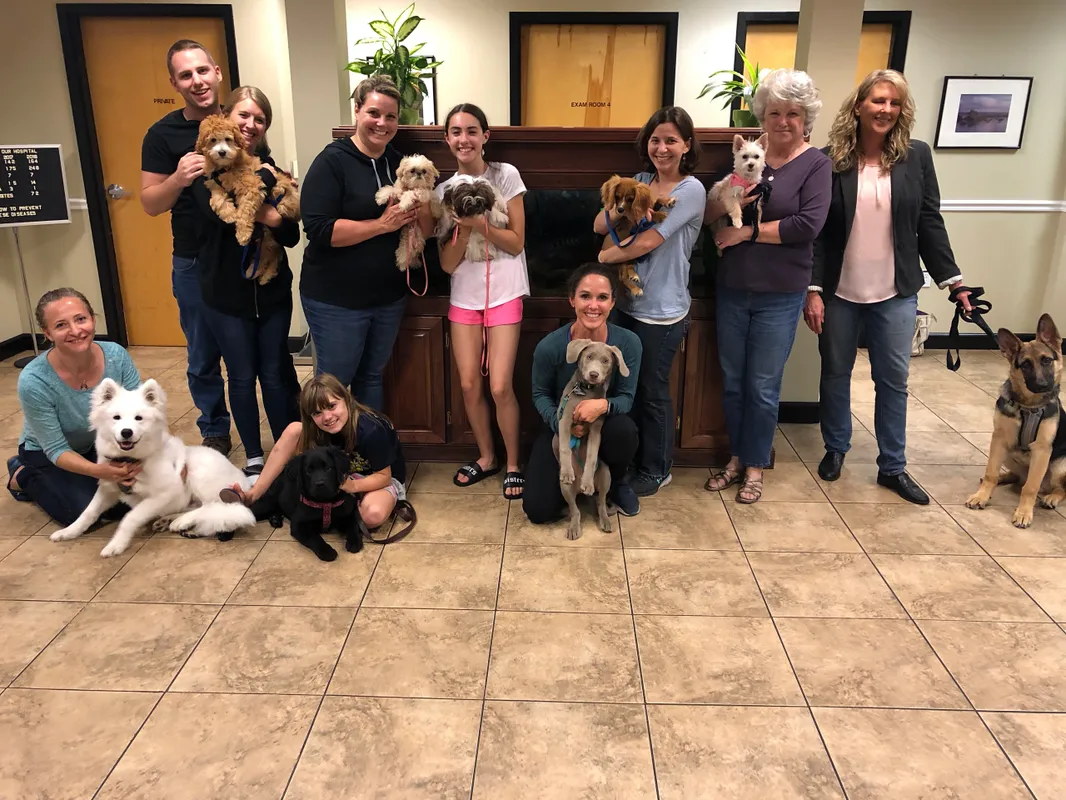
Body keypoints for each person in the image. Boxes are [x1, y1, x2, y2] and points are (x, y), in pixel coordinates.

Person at [806, 69, 971, 504]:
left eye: (894, 103)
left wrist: (953, 281)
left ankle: (892, 466)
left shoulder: (916, 156)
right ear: (859, 105)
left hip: (896, 291)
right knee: (835, 372)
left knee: (893, 380)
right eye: (878, 100)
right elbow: (818, 232)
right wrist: (813, 289)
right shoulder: (830, 159)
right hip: (840, 291)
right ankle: (836, 448)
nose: (886, 109)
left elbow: (929, 221)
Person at [704, 68, 832, 504]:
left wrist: (746, 232)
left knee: (762, 385)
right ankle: (736, 458)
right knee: (733, 381)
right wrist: (725, 206)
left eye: (793, 113)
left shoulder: (816, 165)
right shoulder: (746, 160)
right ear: (762, 116)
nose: (783, 121)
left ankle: (756, 464)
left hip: (780, 291)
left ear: (805, 118)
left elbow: (807, 225)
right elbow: (712, 211)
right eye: (775, 112)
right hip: (734, 286)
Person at [298, 75, 434, 411]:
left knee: (372, 378)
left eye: (390, 116)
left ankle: (370, 443)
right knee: (333, 386)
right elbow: (319, 229)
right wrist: (380, 225)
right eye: (374, 113)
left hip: (387, 297)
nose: (382, 123)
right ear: (357, 111)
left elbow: (424, 223)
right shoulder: (332, 161)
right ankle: (324, 445)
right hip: (337, 300)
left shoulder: (397, 162)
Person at [190, 86, 301, 477]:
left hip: (272, 291)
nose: (252, 125)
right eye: (244, 116)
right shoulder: (203, 172)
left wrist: (272, 215)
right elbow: (217, 219)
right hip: (225, 294)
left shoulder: (269, 169)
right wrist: (259, 206)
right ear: (227, 119)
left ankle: (285, 453)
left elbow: (291, 235)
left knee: (274, 373)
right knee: (240, 376)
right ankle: (254, 457)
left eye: (260, 119)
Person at [595, 106, 707, 498]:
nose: (662, 148)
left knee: (652, 391)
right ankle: (626, 461)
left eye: (671, 140)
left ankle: (657, 469)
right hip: (626, 306)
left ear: (686, 145)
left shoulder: (690, 191)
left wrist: (605, 256)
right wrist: (618, 206)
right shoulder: (639, 181)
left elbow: (648, 241)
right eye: (655, 140)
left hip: (663, 310)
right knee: (623, 387)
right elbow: (599, 224)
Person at [432, 103, 529, 499]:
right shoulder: (443, 191)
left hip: (506, 290)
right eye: (456, 132)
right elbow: (446, 264)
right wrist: (462, 229)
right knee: (469, 384)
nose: (464, 139)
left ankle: (513, 464)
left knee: (501, 386)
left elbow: (516, 242)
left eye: (472, 131)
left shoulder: (506, 175)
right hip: (465, 296)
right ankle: (487, 457)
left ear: (485, 136)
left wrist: (478, 223)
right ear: (447, 139)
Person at [140, 38, 231, 455]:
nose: (197, 81)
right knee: (202, 352)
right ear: (174, 83)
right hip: (193, 259)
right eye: (185, 75)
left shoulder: (239, 120)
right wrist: (177, 179)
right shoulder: (162, 134)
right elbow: (149, 203)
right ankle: (214, 428)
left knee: (252, 352)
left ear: (217, 72)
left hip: (240, 253)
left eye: (202, 70)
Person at [6, 289, 142, 527]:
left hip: (99, 443)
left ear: (93, 319)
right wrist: (100, 471)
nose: (76, 331)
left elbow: (142, 413)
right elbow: (56, 448)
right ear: (47, 333)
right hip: (48, 452)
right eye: (61, 325)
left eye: (81, 319)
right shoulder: (34, 380)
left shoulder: (116, 356)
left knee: (129, 502)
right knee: (82, 512)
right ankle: (22, 474)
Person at [524, 264, 643, 522]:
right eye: (585, 296)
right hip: (561, 425)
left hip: (604, 426)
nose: (593, 306)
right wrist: (563, 424)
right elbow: (540, 394)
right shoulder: (551, 346)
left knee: (625, 430)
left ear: (612, 303)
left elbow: (627, 398)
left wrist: (601, 406)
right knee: (538, 510)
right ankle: (569, 486)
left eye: (602, 297)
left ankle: (616, 482)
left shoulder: (628, 343)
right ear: (572, 300)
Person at [222, 373, 406, 531]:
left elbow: (384, 477)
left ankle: (353, 506)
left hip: (378, 479)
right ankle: (252, 494)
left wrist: (352, 487)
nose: (327, 417)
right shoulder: (317, 427)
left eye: (332, 406)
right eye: (317, 413)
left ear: (347, 399)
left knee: (372, 515)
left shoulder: (372, 429)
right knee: (294, 430)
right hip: (339, 476)